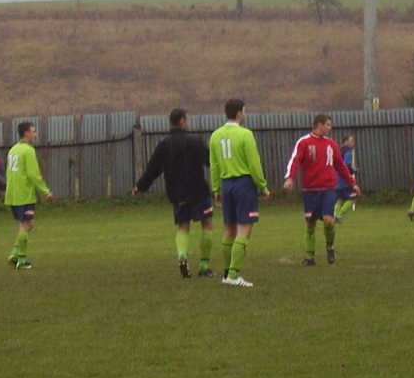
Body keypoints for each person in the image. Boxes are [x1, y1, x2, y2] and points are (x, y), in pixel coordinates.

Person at [132, 108, 216, 279]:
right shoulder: (194, 141)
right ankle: (204, 266)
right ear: (183, 120)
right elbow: (211, 161)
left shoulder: (164, 144)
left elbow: (152, 169)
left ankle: (182, 256)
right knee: (206, 224)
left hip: (177, 193)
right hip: (199, 191)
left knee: (183, 227)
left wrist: (140, 187)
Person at [283, 114, 361, 266]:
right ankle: (309, 256)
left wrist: (352, 183)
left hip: (327, 189)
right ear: (320, 125)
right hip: (310, 190)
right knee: (310, 223)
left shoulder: (331, 144)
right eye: (328, 125)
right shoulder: (304, 142)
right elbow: (295, 161)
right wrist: (290, 178)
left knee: (328, 219)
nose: (330, 128)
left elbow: (340, 166)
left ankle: (330, 248)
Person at [209, 98, 270, 288]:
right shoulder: (245, 135)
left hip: (227, 185)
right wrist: (262, 185)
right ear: (239, 114)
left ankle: (227, 274)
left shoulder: (215, 136)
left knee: (229, 229)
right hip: (244, 184)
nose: (246, 114)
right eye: (245, 111)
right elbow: (254, 164)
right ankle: (234, 275)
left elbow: (214, 166)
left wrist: (217, 189)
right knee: (244, 229)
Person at [5, 121, 53, 269]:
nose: (35, 134)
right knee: (25, 225)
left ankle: (15, 253)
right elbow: (33, 174)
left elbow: (9, 172)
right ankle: (21, 260)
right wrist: (45, 191)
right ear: (26, 133)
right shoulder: (28, 150)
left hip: (13, 193)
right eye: (33, 131)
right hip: (23, 193)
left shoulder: (13, 149)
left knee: (29, 224)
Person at [333, 134, 358, 224]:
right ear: (346, 141)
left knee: (340, 199)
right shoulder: (347, 152)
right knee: (353, 197)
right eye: (351, 141)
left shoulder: (338, 151)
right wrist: (354, 170)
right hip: (344, 179)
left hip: (336, 178)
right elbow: (347, 165)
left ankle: (335, 215)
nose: (353, 143)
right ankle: (339, 215)